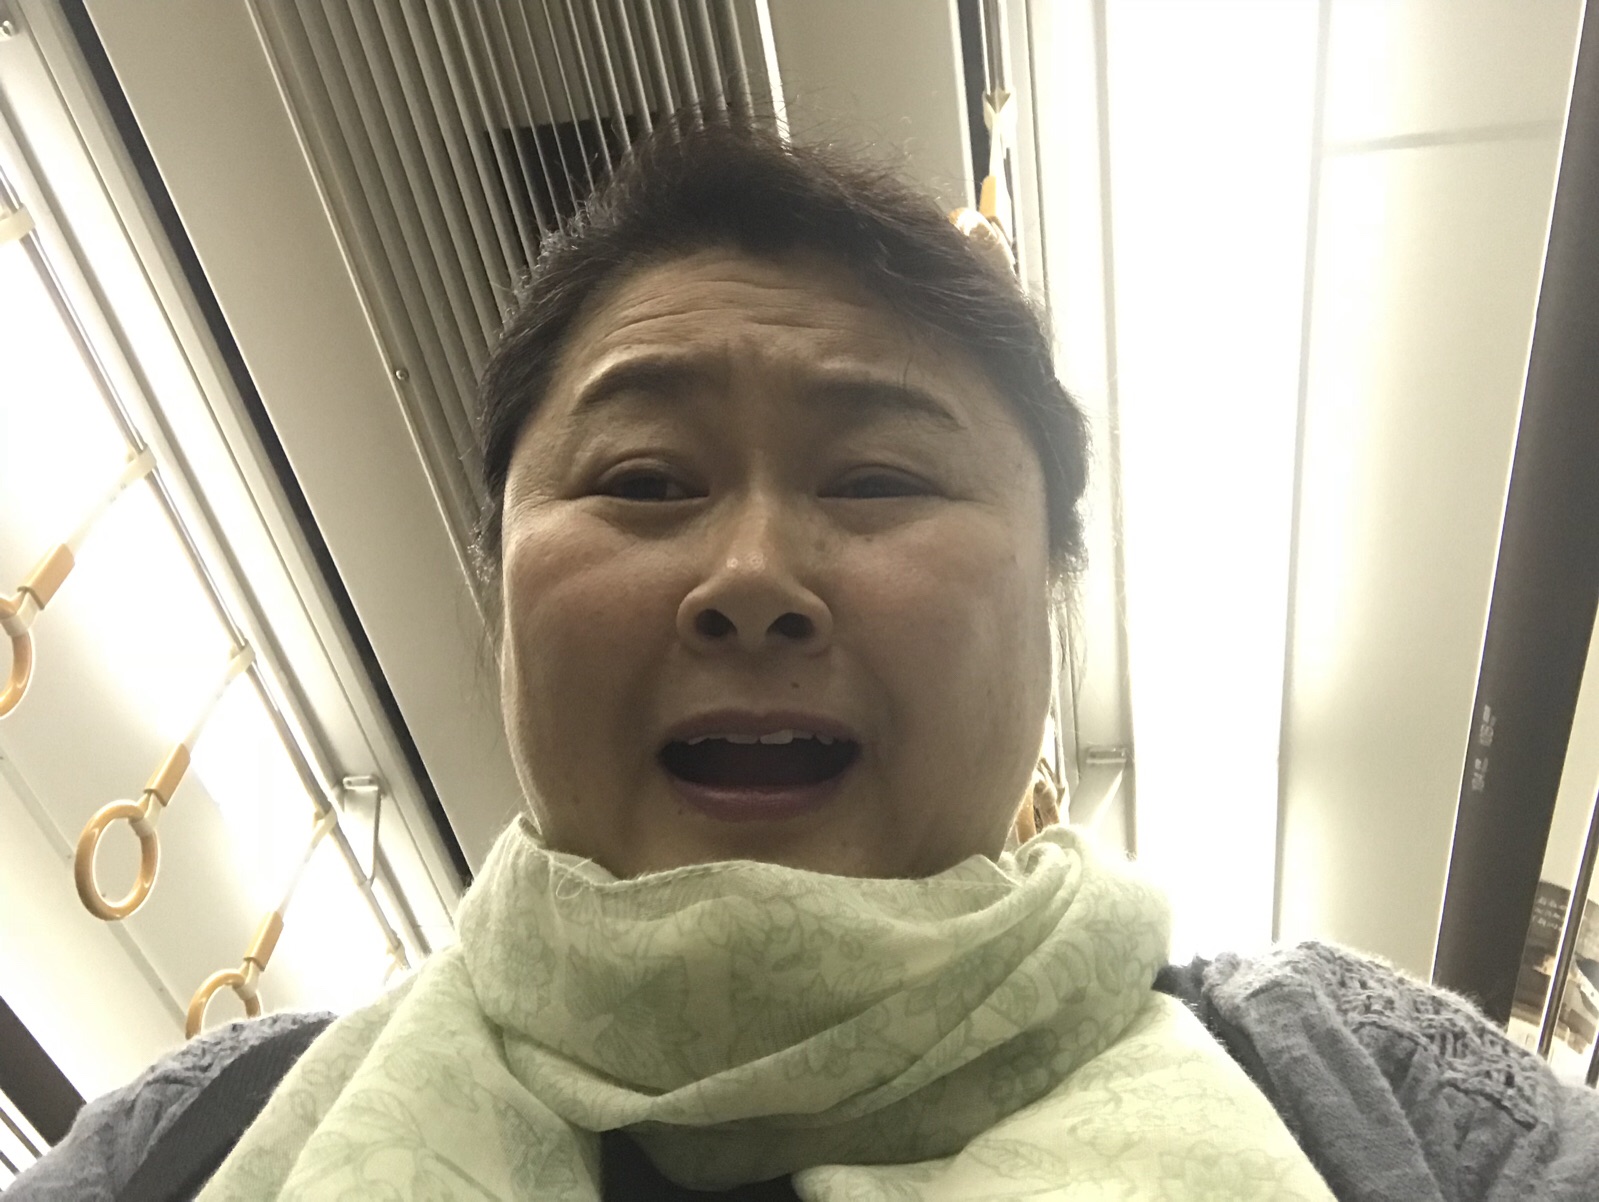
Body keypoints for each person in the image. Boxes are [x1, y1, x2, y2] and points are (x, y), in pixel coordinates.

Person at [12, 119, 1599, 1202]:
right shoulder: (198, 1135)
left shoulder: (1354, 1080)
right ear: (499, 592)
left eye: (882, 479)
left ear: (1049, 603)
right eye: (645, 480)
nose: (752, 580)